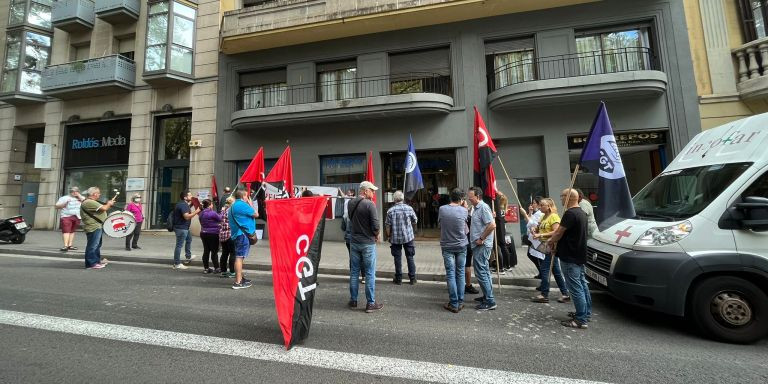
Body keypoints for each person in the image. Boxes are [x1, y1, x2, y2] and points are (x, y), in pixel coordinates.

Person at [547, 189, 591, 329]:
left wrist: (550, 242)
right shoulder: (582, 213)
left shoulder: (570, 213)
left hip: (570, 256)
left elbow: (559, 232)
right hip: (579, 255)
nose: (560, 199)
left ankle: (580, 320)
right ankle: (585, 313)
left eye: (562, 196)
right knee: (582, 285)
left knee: (575, 287)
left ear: (568, 198)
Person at [347, 181, 383, 313]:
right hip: (367, 243)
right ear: (365, 190)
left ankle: (353, 300)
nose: (374, 193)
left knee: (354, 272)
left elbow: (351, 220)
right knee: (369, 273)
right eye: (372, 190)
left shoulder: (351, 203)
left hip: (354, 242)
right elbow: (375, 225)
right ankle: (370, 303)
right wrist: (377, 234)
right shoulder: (369, 204)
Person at [530, 198, 569, 304]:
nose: (540, 206)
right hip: (545, 246)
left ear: (549, 207)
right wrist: (535, 230)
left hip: (552, 246)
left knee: (544, 269)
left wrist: (541, 235)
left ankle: (544, 294)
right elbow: (538, 228)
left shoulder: (554, 216)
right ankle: (565, 293)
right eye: (540, 205)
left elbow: (556, 231)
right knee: (556, 271)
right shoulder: (543, 216)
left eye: (542, 205)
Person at [438, 188, 469, 313]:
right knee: (460, 273)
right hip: (461, 245)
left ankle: (454, 302)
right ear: (461, 199)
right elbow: (465, 227)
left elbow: (440, 224)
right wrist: (464, 207)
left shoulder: (442, 209)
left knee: (450, 274)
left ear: (451, 197)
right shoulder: (464, 211)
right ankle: (460, 301)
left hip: (447, 245)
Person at [467, 186, 497, 311]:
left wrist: (481, 238)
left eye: (471, 197)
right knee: (484, 271)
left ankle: (490, 300)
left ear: (478, 196)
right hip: (479, 245)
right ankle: (486, 295)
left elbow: (492, 225)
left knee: (481, 272)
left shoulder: (483, 207)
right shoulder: (476, 208)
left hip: (482, 245)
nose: (469, 199)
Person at [385, 190, 418, 285]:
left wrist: (388, 236)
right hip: (408, 237)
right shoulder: (409, 208)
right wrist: (413, 231)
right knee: (410, 257)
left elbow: (387, 225)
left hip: (395, 238)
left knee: (397, 258)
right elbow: (415, 221)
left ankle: (399, 279)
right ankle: (412, 278)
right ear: (402, 198)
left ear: (394, 200)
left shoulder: (390, 210)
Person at [229, 190, 258, 289]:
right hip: (242, 235)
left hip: (238, 234)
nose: (248, 198)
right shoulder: (242, 205)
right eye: (247, 196)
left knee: (240, 257)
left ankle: (240, 278)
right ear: (243, 196)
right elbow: (256, 214)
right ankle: (238, 282)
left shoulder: (233, 205)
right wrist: (250, 204)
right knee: (239, 257)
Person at [80, 187, 115, 269]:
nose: (99, 194)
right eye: (98, 193)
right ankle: (91, 263)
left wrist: (108, 204)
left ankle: (96, 262)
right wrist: (109, 203)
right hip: (93, 226)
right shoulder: (89, 202)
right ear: (94, 194)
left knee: (97, 245)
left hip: (96, 226)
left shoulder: (91, 202)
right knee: (93, 245)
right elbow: (104, 208)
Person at [172, 191, 200, 270]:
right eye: (190, 195)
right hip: (181, 228)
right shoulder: (183, 205)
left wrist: (195, 203)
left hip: (184, 227)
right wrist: (197, 211)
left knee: (189, 239)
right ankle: (177, 263)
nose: (192, 196)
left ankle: (188, 256)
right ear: (185, 197)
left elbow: (187, 208)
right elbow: (187, 217)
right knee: (179, 245)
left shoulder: (182, 204)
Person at [343, 188, 365, 284]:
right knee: (363, 258)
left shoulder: (347, 214)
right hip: (361, 239)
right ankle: (364, 277)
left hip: (349, 238)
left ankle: (353, 277)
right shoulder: (363, 212)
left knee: (352, 258)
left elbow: (343, 226)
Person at [519, 197, 545, 278]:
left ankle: (543, 273)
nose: (532, 204)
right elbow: (528, 221)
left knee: (536, 256)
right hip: (532, 238)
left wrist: (524, 214)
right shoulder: (535, 213)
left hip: (537, 239)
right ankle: (541, 272)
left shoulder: (540, 214)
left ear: (538, 204)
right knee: (531, 255)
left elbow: (532, 224)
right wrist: (529, 212)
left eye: (534, 203)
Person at [55, 186, 84, 252]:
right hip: (66, 216)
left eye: (76, 191)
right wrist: (64, 204)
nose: (74, 193)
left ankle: (70, 245)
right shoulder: (64, 198)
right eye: (73, 191)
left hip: (77, 216)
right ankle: (65, 245)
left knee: (72, 231)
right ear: (70, 192)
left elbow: (85, 201)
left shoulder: (80, 198)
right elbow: (56, 206)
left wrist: (79, 196)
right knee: (66, 231)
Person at [199, 199, 222, 274]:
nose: (212, 205)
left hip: (203, 233)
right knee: (214, 251)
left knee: (206, 250)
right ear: (209, 205)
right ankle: (217, 268)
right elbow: (220, 218)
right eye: (212, 204)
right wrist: (222, 211)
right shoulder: (212, 213)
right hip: (213, 233)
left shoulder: (201, 213)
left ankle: (206, 268)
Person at [219, 196, 236, 278]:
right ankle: (232, 271)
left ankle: (223, 271)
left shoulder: (223, 210)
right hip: (230, 233)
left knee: (224, 253)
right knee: (233, 253)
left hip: (222, 234)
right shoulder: (231, 211)